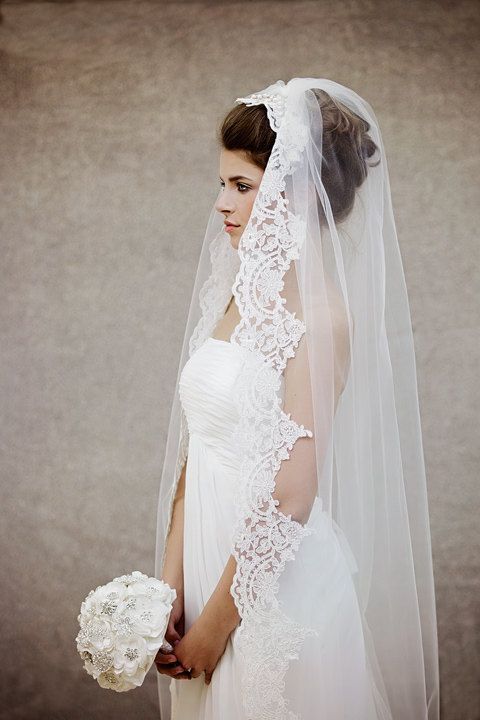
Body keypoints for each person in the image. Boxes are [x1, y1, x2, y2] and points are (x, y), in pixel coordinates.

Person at [153, 78, 440, 720]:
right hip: (206, 574)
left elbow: (291, 498)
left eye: (242, 186)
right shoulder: (233, 296)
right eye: (222, 183)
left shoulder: (320, 317)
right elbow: (195, 454)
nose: (221, 203)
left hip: (270, 596)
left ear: (298, 190)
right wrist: (169, 589)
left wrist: (216, 627)